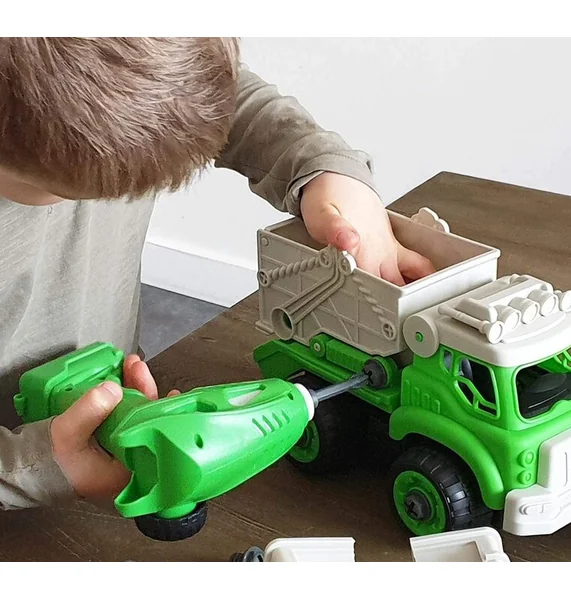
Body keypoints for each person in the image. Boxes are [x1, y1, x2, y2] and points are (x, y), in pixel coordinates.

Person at [0, 38, 434, 511]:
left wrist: (322, 167)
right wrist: (32, 467)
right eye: (67, 191)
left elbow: (222, 100)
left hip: (106, 396)